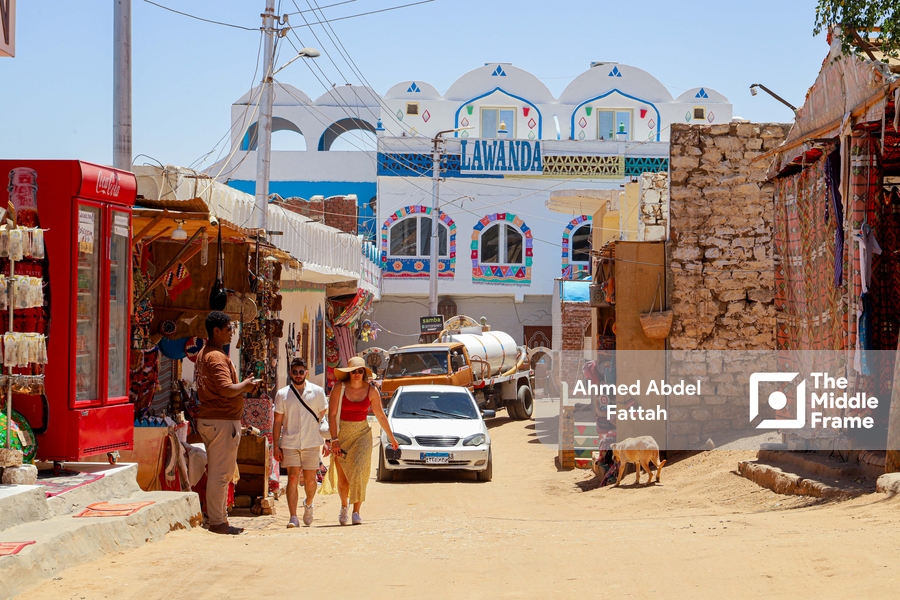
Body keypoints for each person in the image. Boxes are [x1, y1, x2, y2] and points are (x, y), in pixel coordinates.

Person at [194, 311, 259, 535]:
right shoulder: (217, 357)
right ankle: (218, 522)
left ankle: (217, 517)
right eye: (228, 328)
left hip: (211, 419)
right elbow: (224, 389)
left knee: (217, 473)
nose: (232, 332)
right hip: (221, 421)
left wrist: (242, 384)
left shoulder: (204, 354)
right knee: (221, 475)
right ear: (216, 331)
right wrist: (246, 386)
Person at [328, 356, 399, 525]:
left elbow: (380, 415)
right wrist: (334, 439)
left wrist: (392, 437)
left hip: (362, 434)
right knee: (344, 479)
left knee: (360, 472)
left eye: (360, 371)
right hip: (342, 434)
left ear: (364, 373)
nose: (357, 374)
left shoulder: (371, 391)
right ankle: (344, 506)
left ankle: (356, 511)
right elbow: (331, 415)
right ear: (349, 373)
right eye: (354, 371)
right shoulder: (340, 388)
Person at [273, 357, 327, 528]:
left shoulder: (317, 392)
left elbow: (323, 419)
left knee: (311, 481)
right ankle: (293, 517)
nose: (298, 375)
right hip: (290, 442)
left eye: (301, 372)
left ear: (306, 373)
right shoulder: (282, 394)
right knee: (293, 477)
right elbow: (277, 422)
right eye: (295, 372)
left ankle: (309, 503)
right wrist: (276, 444)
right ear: (290, 373)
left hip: (311, 442)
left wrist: (327, 440)